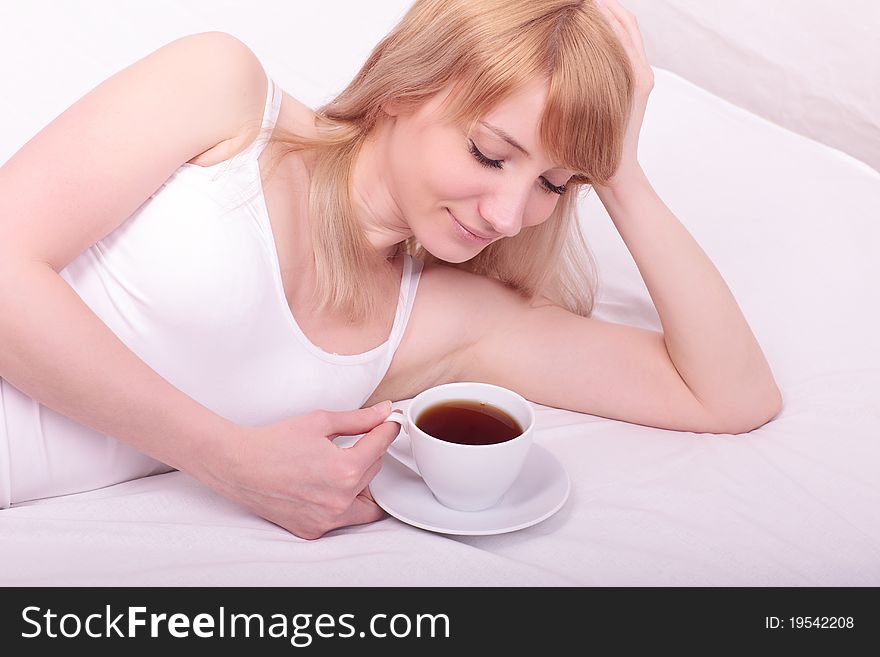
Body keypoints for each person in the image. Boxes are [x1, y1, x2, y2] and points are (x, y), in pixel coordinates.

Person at [0, 0, 781, 539]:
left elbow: (729, 394)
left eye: (552, 184)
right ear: (408, 86)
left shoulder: (445, 318)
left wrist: (618, 171)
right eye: (490, 152)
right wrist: (226, 458)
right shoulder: (226, 98)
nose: (509, 215)